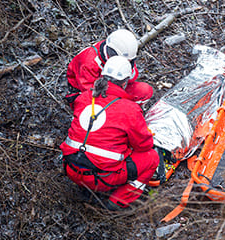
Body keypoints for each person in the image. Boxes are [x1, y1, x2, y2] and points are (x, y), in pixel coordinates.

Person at [60, 56, 159, 210]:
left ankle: (84, 189)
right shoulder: (130, 109)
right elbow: (144, 146)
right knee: (152, 158)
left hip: (70, 169)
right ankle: (118, 200)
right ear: (125, 82)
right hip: (101, 179)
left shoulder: (84, 97)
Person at [65, 29, 153, 108]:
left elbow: (132, 77)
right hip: (88, 95)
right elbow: (90, 93)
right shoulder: (89, 62)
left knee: (144, 91)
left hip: (113, 89)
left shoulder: (124, 53)